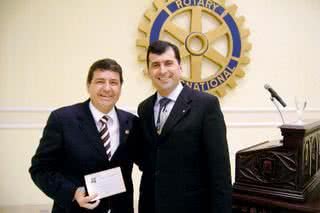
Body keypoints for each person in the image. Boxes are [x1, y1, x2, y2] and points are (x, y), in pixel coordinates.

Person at [134, 40, 232, 213]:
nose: (162, 70)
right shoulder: (144, 108)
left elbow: (220, 170)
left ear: (180, 67)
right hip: (151, 205)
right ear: (149, 71)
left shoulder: (206, 105)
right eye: (155, 65)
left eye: (168, 63)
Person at [29, 58, 137, 213]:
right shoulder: (63, 120)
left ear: (120, 87)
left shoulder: (132, 123)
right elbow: (40, 169)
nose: (107, 88)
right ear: (88, 85)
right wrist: (72, 193)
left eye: (114, 82)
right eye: (100, 81)